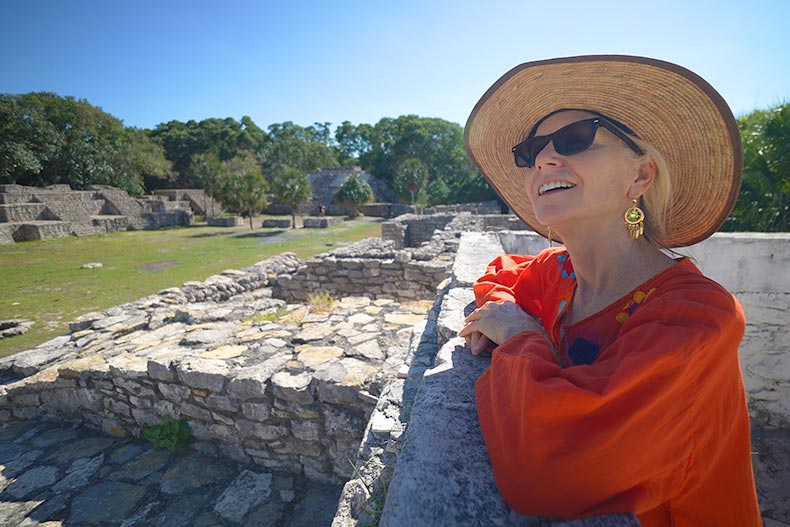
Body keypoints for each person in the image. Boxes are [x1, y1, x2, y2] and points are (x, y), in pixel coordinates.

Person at [459, 55, 762, 527]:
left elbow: (548, 473)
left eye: (575, 139)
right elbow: (501, 275)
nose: (543, 159)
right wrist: (500, 310)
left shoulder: (697, 317)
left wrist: (519, 337)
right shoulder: (560, 272)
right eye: (531, 151)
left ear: (640, 176)